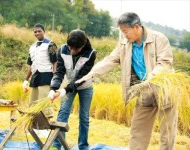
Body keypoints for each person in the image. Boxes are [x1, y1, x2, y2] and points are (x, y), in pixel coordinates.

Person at [76, 12, 177, 150]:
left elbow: (165, 63)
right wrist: (90, 74)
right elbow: (110, 60)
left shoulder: (159, 39)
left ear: (136, 27)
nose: (124, 35)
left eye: (125, 31)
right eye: (122, 32)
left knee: (167, 131)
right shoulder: (124, 43)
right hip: (144, 90)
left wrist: (151, 78)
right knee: (137, 130)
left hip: (164, 90)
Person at [48, 29, 96, 150]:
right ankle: (57, 145)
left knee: (84, 117)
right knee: (63, 113)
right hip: (68, 84)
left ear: (83, 45)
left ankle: (83, 146)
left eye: (76, 49)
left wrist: (64, 90)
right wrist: (53, 88)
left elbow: (82, 77)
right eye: (71, 48)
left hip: (85, 86)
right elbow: (59, 72)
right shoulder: (63, 50)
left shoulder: (91, 53)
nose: (72, 52)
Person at [22, 23, 57, 118]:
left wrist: (54, 78)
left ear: (44, 32)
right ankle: (35, 124)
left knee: (44, 102)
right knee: (33, 102)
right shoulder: (32, 47)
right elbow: (30, 65)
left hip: (46, 76)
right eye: (35, 32)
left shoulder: (51, 44)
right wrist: (26, 80)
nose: (37, 33)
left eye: (39, 31)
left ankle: (46, 126)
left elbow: (55, 62)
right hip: (35, 76)